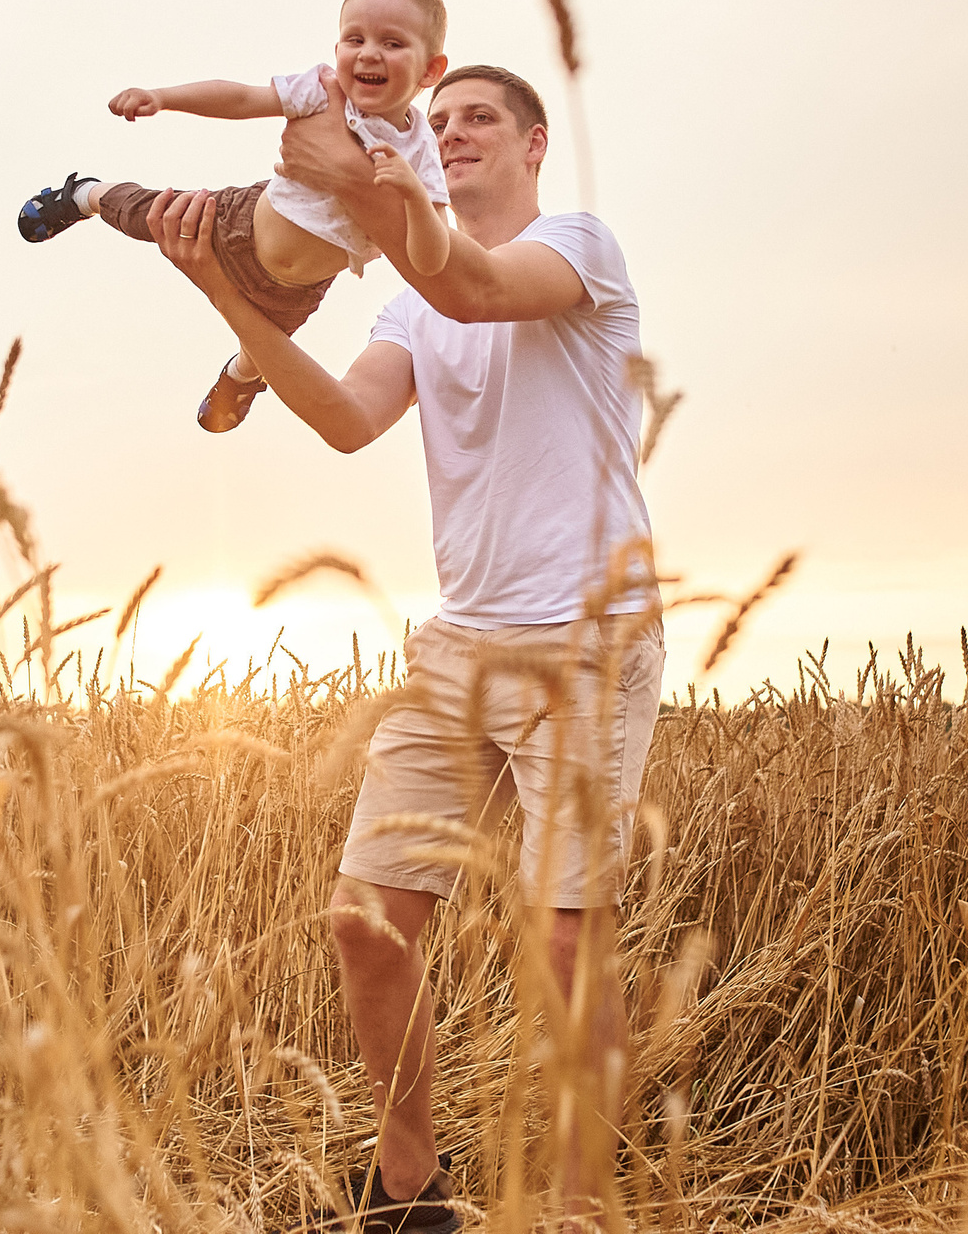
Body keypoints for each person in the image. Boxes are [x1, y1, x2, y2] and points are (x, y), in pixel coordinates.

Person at [145, 64, 662, 1232]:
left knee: (566, 939)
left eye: (479, 118)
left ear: (533, 143)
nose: (452, 131)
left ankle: (580, 1212)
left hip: (585, 638)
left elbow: (473, 286)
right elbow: (343, 420)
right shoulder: (407, 308)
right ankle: (408, 1188)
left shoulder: (576, 247)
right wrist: (225, 293)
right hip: (458, 645)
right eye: (440, 121)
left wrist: (358, 184)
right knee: (362, 921)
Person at [13, 0, 454, 433]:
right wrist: (163, 97)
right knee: (149, 214)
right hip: (238, 224)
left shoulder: (421, 152)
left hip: (299, 286)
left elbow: (433, 258)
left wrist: (413, 196)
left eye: (392, 43)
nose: (368, 53)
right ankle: (84, 195)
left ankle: (239, 379)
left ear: (430, 70)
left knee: (265, 348)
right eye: (354, 39)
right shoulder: (324, 92)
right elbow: (243, 98)